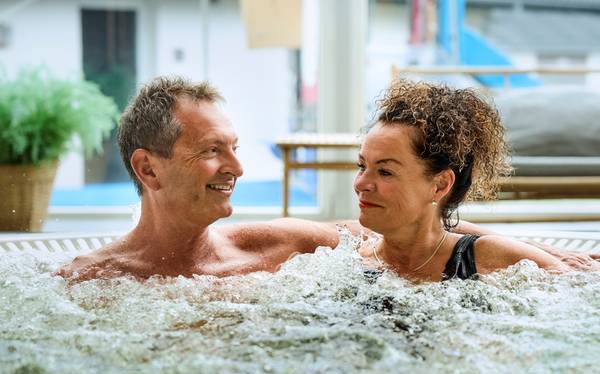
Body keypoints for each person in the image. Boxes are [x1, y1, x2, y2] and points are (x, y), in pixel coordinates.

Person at [57, 77, 595, 282]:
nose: (239, 169)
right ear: (148, 168)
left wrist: (531, 250)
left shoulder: (277, 247)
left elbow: (420, 233)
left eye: (235, 149)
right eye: (211, 151)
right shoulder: (87, 282)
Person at [354, 79, 597, 282]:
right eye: (362, 166)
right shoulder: (348, 255)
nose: (360, 184)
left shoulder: (489, 259)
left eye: (385, 172)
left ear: (440, 185)